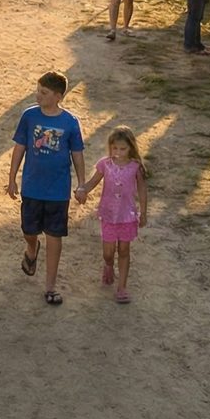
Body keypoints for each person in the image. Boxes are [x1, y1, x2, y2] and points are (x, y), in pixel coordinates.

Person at [7, 71, 85, 306]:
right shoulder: (29, 116)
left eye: (44, 92)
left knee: (55, 237)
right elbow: (19, 148)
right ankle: (32, 248)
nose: (38, 95)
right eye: (37, 90)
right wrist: (12, 178)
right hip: (32, 187)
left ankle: (50, 287)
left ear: (58, 96)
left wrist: (81, 184)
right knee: (28, 230)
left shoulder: (70, 122)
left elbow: (77, 154)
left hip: (58, 191)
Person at [76, 124, 148, 304]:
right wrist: (82, 189)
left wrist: (144, 212)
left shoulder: (135, 167)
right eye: (114, 148)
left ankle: (122, 287)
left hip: (128, 215)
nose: (118, 152)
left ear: (131, 147)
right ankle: (108, 265)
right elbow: (93, 182)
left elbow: (142, 190)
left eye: (123, 148)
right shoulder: (105, 164)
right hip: (108, 214)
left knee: (124, 250)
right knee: (108, 252)